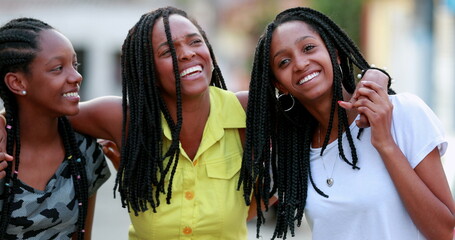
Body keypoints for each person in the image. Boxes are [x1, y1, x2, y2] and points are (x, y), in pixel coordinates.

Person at [0, 6, 391, 240]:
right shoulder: (122, 119)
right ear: (147, 71)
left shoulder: (248, 113)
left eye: (195, 42)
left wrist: (376, 77)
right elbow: (43, 108)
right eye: (169, 51)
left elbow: (318, 97)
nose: (188, 55)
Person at [239, 7, 455, 240]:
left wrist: (385, 143)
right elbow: (233, 217)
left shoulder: (402, 113)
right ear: (279, 85)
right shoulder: (294, 152)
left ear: (336, 52)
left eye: (309, 48)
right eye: (284, 62)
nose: (300, 63)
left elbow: (445, 231)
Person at [0, 18, 111, 239]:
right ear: (17, 83)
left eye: (75, 65)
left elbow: (82, 235)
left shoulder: (84, 151)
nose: (76, 76)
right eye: (58, 68)